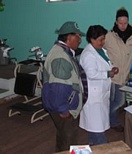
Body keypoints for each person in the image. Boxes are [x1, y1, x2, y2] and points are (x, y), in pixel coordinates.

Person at [41, 21, 86, 152]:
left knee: (63, 137)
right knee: (70, 141)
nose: (80, 39)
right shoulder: (60, 57)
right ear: (69, 37)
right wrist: (63, 109)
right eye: (78, 36)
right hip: (65, 109)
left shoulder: (63, 51)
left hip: (63, 106)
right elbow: (58, 87)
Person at [104, 7, 132, 132]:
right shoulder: (109, 36)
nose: (122, 26)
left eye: (125, 23)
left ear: (128, 22)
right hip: (110, 75)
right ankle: (113, 122)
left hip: (124, 74)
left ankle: (104, 118)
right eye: (120, 23)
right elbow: (101, 51)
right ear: (116, 22)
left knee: (119, 102)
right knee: (110, 100)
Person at [79, 25, 119, 145]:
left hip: (101, 95)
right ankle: (102, 147)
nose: (103, 42)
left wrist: (112, 68)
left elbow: (105, 65)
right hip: (93, 97)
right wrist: (108, 73)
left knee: (95, 129)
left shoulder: (100, 51)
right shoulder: (88, 54)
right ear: (92, 39)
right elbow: (91, 73)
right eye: (100, 40)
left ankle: (94, 148)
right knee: (97, 131)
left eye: (103, 39)